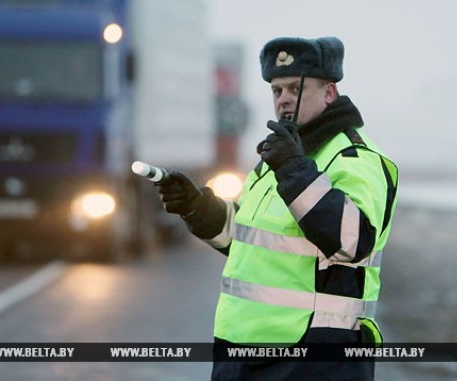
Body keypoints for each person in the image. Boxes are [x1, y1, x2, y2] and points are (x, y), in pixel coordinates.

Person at [157, 36, 398, 380]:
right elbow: (250, 239)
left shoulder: (354, 158)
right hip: (243, 350)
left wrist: (292, 171)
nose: (283, 99)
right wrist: (197, 208)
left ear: (330, 94)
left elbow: (353, 242)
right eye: (276, 91)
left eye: (294, 89)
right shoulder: (283, 157)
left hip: (313, 357)